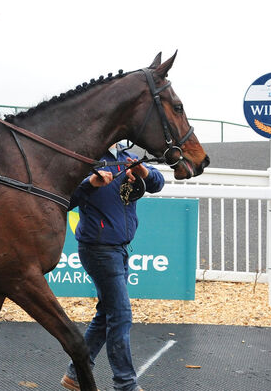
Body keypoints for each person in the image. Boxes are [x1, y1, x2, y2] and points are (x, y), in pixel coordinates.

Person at [61, 142, 165, 391]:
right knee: (120, 315)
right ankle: (125, 384)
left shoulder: (128, 158)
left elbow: (157, 182)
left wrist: (144, 173)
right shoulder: (89, 160)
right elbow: (65, 198)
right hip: (98, 250)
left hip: (118, 249)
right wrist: (89, 184)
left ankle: (75, 375)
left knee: (106, 314)